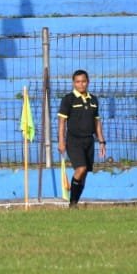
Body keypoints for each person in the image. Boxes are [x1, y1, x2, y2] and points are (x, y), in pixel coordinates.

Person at [57, 69, 106, 208]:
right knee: (81, 168)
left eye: (83, 81)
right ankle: (72, 203)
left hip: (89, 140)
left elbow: (97, 122)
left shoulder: (94, 100)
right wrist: (61, 141)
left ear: (88, 82)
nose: (81, 84)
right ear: (73, 83)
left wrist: (101, 141)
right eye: (78, 82)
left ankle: (74, 203)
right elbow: (61, 122)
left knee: (84, 175)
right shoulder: (68, 99)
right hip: (74, 140)